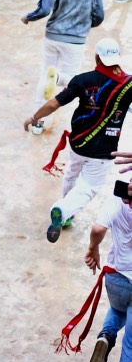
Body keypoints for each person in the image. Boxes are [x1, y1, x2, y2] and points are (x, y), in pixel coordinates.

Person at [25, 38, 132, 242]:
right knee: (88, 187)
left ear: (97, 57)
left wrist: (34, 118)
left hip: (78, 144)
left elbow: (54, 104)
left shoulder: (82, 80)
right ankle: (63, 210)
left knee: (72, 174)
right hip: (103, 152)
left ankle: (65, 216)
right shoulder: (129, 85)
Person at [22, 0, 104, 112]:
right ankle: (59, 83)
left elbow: (44, 9)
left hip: (53, 36)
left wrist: (28, 17)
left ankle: (38, 121)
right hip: (76, 40)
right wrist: (87, 25)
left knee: (45, 74)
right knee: (72, 81)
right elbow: (99, 15)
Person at [84, 178, 132, 362]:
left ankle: (107, 334)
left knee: (118, 307)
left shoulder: (117, 199)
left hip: (116, 276)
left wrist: (93, 249)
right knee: (131, 350)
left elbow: (97, 229)